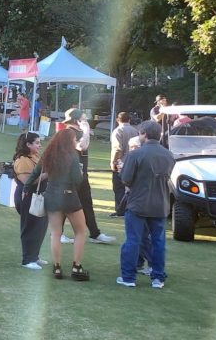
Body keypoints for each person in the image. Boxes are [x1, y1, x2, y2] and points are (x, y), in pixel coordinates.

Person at [24, 128, 90, 281]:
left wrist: (26, 188)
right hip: (69, 195)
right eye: (74, 139)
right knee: (80, 232)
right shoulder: (72, 155)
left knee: (55, 233)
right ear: (69, 141)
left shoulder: (49, 153)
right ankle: (76, 266)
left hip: (51, 195)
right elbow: (77, 179)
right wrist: (81, 175)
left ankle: (57, 267)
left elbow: (36, 172)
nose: (75, 142)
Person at [118, 121, 175, 289]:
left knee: (133, 240)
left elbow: (126, 179)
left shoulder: (136, 154)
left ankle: (128, 277)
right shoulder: (169, 155)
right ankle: (157, 277)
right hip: (161, 204)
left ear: (144, 134)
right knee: (158, 242)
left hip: (138, 203)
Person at [61, 108, 114, 244]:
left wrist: (86, 132)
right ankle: (58, 234)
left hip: (82, 175)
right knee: (66, 205)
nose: (86, 121)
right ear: (77, 120)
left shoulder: (78, 131)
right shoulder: (69, 132)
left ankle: (95, 233)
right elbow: (81, 146)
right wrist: (86, 131)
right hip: (71, 176)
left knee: (87, 204)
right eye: (83, 119)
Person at [12, 132, 48, 270]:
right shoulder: (22, 160)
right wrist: (47, 174)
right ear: (28, 144)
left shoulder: (35, 156)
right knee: (30, 227)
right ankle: (28, 259)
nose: (40, 145)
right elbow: (27, 181)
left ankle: (35, 256)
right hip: (27, 196)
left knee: (40, 227)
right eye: (37, 143)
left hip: (39, 196)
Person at [110, 112, 139, 216]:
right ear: (129, 120)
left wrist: (113, 162)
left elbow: (117, 148)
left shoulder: (118, 131)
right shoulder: (135, 130)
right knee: (130, 188)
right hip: (134, 162)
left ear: (118, 120)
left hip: (121, 163)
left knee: (118, 187)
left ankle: (120, 210)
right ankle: (129, 208)